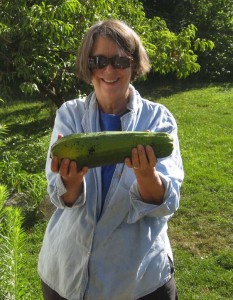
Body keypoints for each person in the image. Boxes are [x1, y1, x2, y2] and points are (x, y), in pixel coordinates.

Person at [38, 19, 184, 300]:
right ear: (87, 65)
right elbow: (61, 196)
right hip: (66, 274)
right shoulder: (70, 115)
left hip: (137, 282)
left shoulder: (158, 120)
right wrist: (69, 181)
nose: (108, 69)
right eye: (98, 60)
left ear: (133, 65)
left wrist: (146, 176)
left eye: (120, 60)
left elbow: (167, 202)